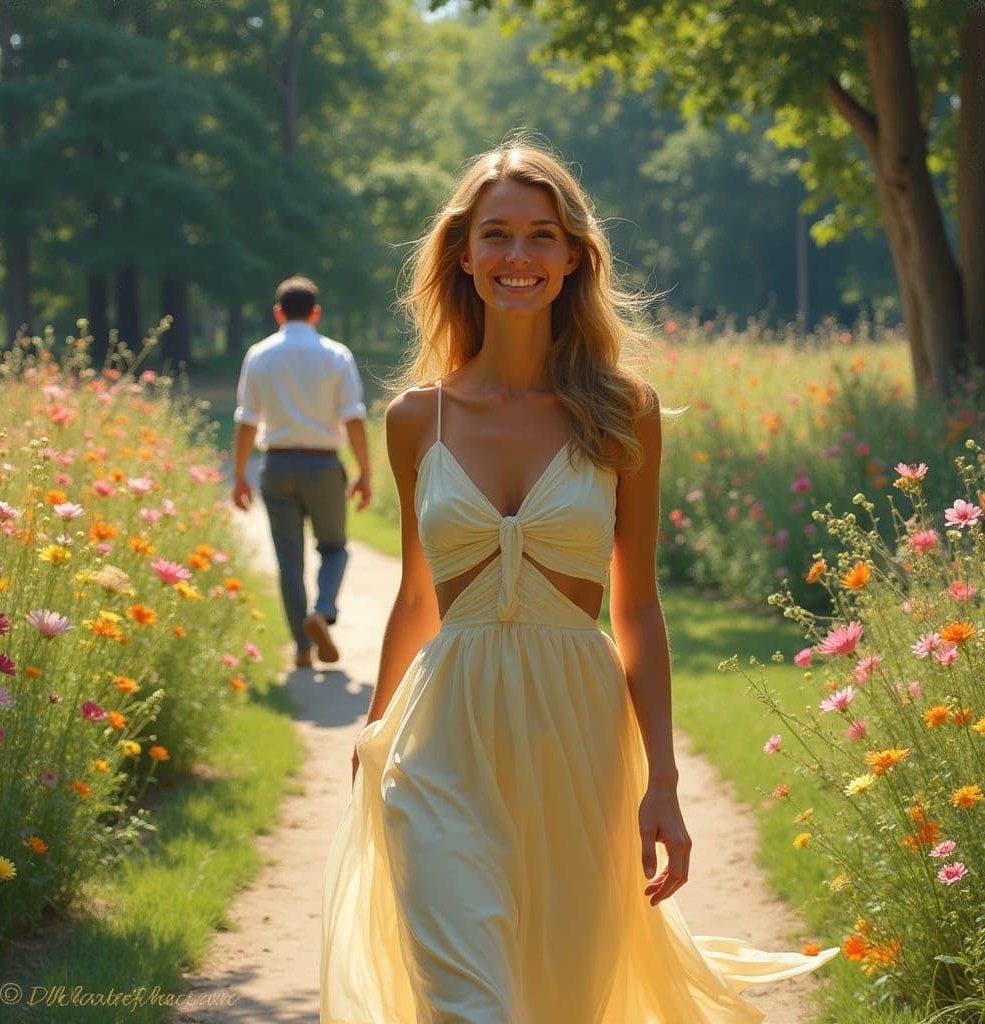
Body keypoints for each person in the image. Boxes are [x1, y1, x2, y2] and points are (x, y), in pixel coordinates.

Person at [319, 139, 839, 1022]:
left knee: (561, 999)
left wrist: (664, 782)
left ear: (572, 257)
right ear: (463, 253)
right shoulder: (416, 419)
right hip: (443, 738)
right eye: (495, 236)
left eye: (539, 236)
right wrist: (375, 733)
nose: (516, 258)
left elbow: (636, 605)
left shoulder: (621, 410)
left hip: (578, 735)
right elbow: (417, 595)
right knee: (467, 1003)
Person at [232, 276, 371, 669]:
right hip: (324, 464)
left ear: (278, 313)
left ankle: (302, 648)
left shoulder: (259, 355)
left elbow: (246, 420)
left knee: (289, 560)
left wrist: (240, 474)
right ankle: (322, 610)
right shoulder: (336, 355)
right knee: (333, 547)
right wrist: (365, 472)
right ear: (316, 313)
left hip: (276, 464)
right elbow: (354, 417)